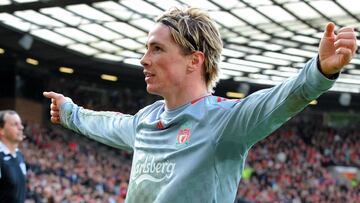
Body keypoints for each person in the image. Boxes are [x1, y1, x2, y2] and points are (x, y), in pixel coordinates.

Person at [43, 6, 357, 203]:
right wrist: (70, 112)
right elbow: (109, 123)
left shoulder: (225, 122)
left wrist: (320, 69)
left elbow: (284, 97)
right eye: (146, 49)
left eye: (156, 49)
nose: (143, 59)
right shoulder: (146, 121)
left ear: (194, 61)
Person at [0, 110, 26, 203]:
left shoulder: (19, 155)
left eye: (20, 124)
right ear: (1, 130)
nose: (21, 127)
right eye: (15, 124)